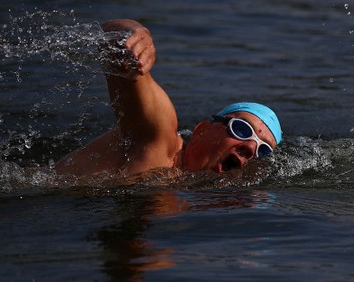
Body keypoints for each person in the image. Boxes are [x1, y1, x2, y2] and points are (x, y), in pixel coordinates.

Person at [54, 19, 282, 178]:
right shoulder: (158, 138)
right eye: (241, 129)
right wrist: (135, 34)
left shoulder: (196, 188)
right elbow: (116, 51)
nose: (251, 147)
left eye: (264, 150)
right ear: (202, 129)